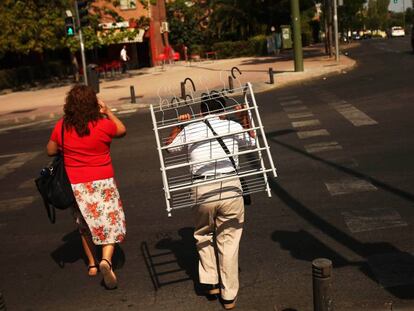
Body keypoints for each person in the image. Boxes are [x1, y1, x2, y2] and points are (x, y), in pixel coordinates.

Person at [166, 95, 256, 310]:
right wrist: (244, 116)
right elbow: (252, 141)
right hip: (231, 186)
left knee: (203, 233)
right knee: (229, 239)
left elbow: (169, 148)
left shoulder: (191, 128)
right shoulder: (232, 125)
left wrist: (179, 125)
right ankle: (229, 296)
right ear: (223, 111)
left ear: (200, 112)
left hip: (202, 188)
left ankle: (211, 282)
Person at [46, 85, 127, 289]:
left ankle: (91, 264)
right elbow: (122, 130)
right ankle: (106, 261)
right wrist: (107, 111)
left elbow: (50, 150)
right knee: (111, 221)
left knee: (84, 226)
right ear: (94, 103)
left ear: (69, 106)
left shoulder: (62, 126)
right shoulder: (103, 125)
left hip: (77, 184)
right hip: (103, 181)